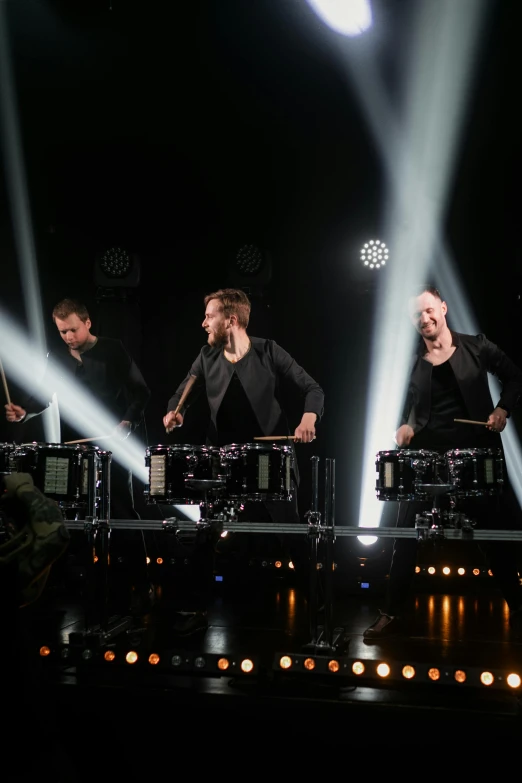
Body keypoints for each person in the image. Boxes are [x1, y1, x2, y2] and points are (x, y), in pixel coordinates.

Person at [364, 284, 522, 641]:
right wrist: (404, 426)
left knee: (494, 538)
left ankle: (518, 605)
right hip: (426, 458)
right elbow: (408, 408)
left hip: (474, 454)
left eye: (429, 310)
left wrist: (502, 409)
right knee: (405, 535)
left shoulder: (477, 346)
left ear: (444, 308)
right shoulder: (411, 361)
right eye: (416, 314)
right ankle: (390, 613)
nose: (424, 318)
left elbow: (515, 377)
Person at [162, 288, 325, 635]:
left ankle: (321, 610)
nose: (203, 322)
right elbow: (182, 394)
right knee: (206, 535)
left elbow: (313, 389)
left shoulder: (268, 351)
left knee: (291, 535)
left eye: (210, 316)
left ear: (231, 320)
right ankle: (195, 609)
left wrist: (308, 418)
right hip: (222, 461)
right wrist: (174, 413)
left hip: (269, 458)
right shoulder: (206, 356)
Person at [4, 298, 152, 612]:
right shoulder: (56, 354)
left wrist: (126, 421)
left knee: (122, 510)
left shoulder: (113, 349)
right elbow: (44, 395)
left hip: (111, 439)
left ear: (87, 323)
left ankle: (141, 581)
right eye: (62, 332)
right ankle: (69, 582)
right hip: (72, 444)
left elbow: (141, 392)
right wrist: (24, 411)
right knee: (66, 510)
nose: (68, 337)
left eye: (72, 329)